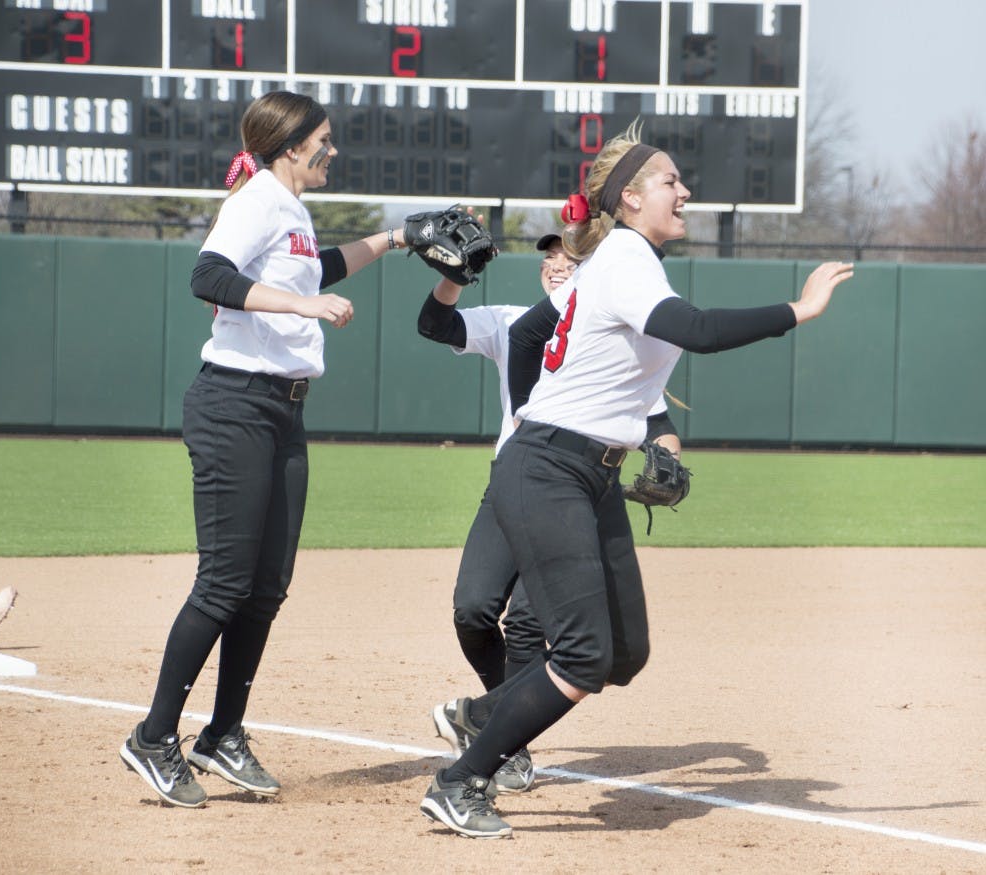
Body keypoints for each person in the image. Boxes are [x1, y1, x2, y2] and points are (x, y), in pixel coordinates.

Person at [419, 120, 853, 838]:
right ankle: (461, 780)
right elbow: (702, 330)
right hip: (552, 464)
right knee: (585, 654)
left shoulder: (622, 263)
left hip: (588, 471)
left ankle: (481, 713)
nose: (684, 190)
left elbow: (550, 340)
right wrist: (798, 310)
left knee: (625, 652)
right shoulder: (623, 259)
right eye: (669, 181)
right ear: (627, 199)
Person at [119, 90, 414, 809]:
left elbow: (321, 272)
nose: (331, 150)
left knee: (266, 587)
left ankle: (222, 733)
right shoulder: (257, 198)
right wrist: (302, 305)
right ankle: (155, 736)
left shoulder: (291, 210)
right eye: (324, 140)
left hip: (281, 412)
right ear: (289, 146)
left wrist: (397, 238)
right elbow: (208, 276)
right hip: (234, 405)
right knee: (224, 583)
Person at [417, 235, 682, 795]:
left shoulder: (613, 330)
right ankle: (495, 717)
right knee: (473, 609)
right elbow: (435, 325)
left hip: (576, 494)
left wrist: (667, 455)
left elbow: (660, 424)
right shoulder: (511, 321)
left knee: (532, 627)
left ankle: (503, 744)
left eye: (572, 258)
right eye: (550, 256)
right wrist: (455, 276)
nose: (558, 265)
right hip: (514, 480)